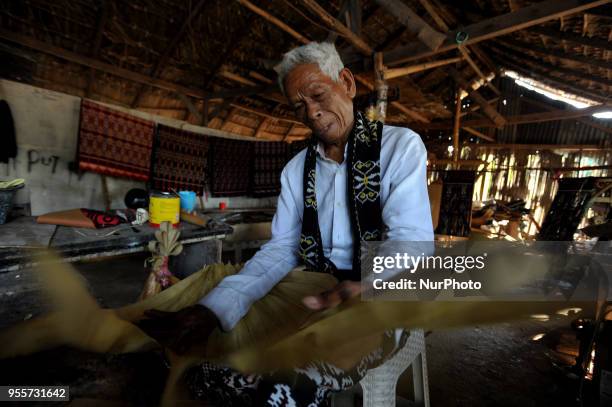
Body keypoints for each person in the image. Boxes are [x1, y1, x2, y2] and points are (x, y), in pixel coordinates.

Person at [144, 41, 433, 406]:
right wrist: (213, 308)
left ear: (346, 82)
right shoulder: (297, 170)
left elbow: (411, 241)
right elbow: (282, 249)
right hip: (316, 289)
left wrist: (367, 284)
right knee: (217, 370)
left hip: (384, 293)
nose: (312, 112)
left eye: (318, 95)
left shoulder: (398, 147)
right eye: (300, 106)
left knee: (283, 387)